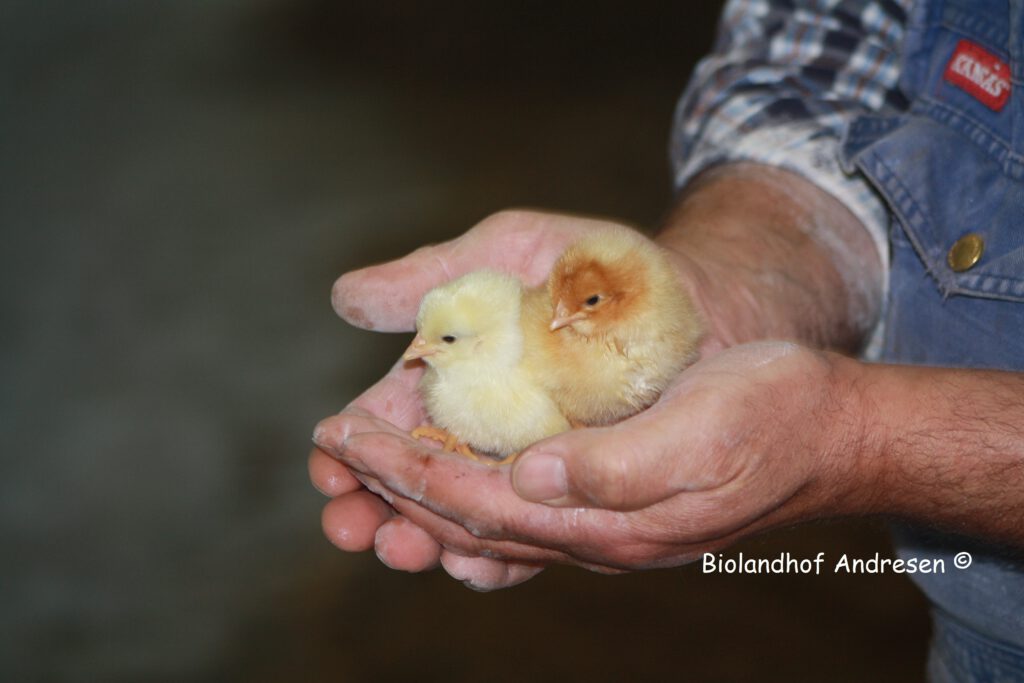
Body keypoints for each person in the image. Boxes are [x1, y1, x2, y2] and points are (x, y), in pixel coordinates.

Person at [309, 0, 1024, 678]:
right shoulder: (545, 333)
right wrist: (741, 277)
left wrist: (867, 436)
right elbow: (821, 55)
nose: (555, 318)